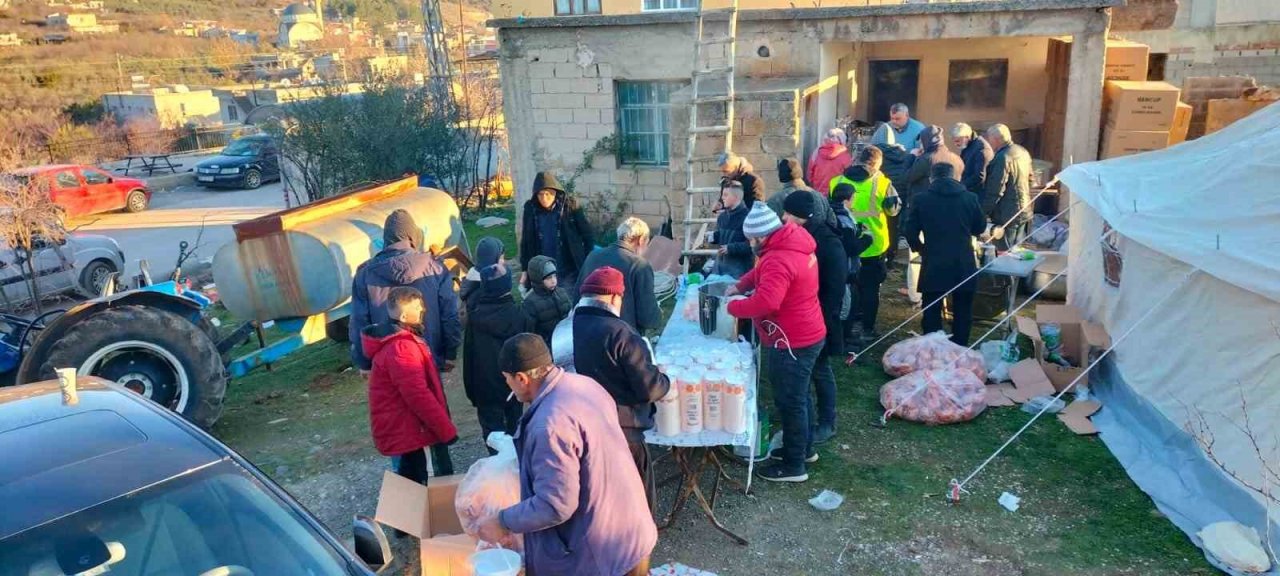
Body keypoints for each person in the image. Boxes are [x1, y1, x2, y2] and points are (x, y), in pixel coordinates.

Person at [478, 334, 656, 576]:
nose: (508, 385)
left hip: (601, 553)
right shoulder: (585, 385)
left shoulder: (549, 425)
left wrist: (502, 522)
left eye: (507, 379)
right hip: (630, 529)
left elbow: (555, 504)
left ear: (521, 378)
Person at [350, 209, 461, 475]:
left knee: (398, 415)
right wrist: (449, 353)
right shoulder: (434, 266)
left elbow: (359, 321)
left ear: (387, 239)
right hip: (427, 356)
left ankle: (407, 487)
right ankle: (442, 482)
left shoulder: (365, 274)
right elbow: (450, 313)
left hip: (386, 360)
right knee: (430, 408)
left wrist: (364, 362)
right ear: (412, 236)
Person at [725, 202, 826, 482]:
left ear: (761, 236)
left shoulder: (778, 258)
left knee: (790, 401)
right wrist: (740, 285)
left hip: (791, 339)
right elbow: (761, 273)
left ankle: (794, 467)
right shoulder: (789, 244)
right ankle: (803, 450)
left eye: (751, 240)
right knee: (800, 396)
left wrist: (732, 307)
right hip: (808, 330)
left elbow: (767, 301)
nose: (750, 244)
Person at [571, 266, 671, 507]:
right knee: (638, 501)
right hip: (626, 429)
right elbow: (650, 389)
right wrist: (663, 379)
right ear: (615, 297)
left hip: (595, 421)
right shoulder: (622, 334)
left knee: (609, 499)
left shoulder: (578, 322)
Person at [361, 287, 458, 489]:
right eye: (417, 306)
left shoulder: (401, 342)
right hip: (415, 433)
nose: (423, 309)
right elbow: (418, 396)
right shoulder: (402, 348)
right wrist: (445, 430)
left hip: (408, 430)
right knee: (433, 487)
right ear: (404, 316)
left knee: (412, 483)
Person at [781, 192, 847, 445]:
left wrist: (821, 316)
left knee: (820, 369)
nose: (784, 218)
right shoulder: (804, 235)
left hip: (821, 316)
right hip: (806, 315)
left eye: (788, 213)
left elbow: (835, 286)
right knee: (809, 371)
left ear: (802, 216)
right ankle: (803, 416)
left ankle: (827, 421)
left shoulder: (827, 243)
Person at [903, 163, 986, 346]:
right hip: (962, 259)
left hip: (934, 259)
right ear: (955, 177)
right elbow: (979, 227)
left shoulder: (921, 199)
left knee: (932, 308)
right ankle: (960, 346)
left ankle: (933, 347)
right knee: (963, 309)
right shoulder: (970, 198)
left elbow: (909, 230)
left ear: (931, 178)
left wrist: (920, 248)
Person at [831, 146, 901, 349]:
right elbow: (893, 210)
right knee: (871, 289)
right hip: (873, 245)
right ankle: (867, 328)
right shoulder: (883, 183)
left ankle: (846, 326)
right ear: (878, 163)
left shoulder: (837, 181)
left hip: (845, 245)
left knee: (847, 287)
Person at [463, 262, 530, 452]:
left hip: (485, 387)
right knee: (516, 426)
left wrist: (472, 392)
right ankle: (518, 462)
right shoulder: (519, 315)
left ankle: (497, 462)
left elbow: (469, 358)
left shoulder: (475, 319)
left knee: (492, 433)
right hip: (514, 384)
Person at [901, 125, 964, 306]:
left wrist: (911, 156)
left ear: (926, 141)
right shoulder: (956, 159)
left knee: (917, 258)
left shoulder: (926, 159)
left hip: (924, 212)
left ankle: (915, 294)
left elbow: (906, 177)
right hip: (950, 214)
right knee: (943, 255)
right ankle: (944, 294)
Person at [576, 217, 660, 334]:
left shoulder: (593, 256)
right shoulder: (639, 265)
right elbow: (648, 317)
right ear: (641, 240)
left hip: (588, 332)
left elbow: (576, 299)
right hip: (622, 337)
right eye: (647, 243)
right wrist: (658, 314)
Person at [519, 171, 596, 292]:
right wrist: (525, 269)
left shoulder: (570, 206)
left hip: (568, 269)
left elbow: (587, 235)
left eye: (548, 194)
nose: (544, 198)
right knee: (545, 301)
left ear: (555, 192)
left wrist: (587, 260)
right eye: (540, 194)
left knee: (567, 299)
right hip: (542, 269)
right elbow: (525, 241)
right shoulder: (531, 209)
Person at [870, 122, 915, 270]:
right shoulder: (904, 154)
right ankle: (891, 256)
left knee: (879, 225)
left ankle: (880, 255)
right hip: (898, 195)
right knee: (894, 227)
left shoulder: (874, 154)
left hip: (879, 194)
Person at [982, 124, 1033, 252]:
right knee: (1018, 251)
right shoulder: (1023, 152)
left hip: (1006, 213)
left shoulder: (1002, 158)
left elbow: (996, 189)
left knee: (1004, 252)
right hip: (1024, 209)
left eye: (989, 139)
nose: (988, 142)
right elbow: (1031, 180)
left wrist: (984, 211)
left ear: (996, 139)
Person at [767, 157, 836, 228]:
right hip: (819, 234)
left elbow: (769, 227)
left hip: (791, 234)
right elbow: (832, 222)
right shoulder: (820, 196)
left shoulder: (775, 200)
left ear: (780, 175)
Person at [521, 255, 572, 348]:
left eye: (554, 276)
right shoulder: (530, 303)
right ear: (538, 279)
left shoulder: (562, 293)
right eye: (548, 278)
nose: (553, 281)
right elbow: (530, 332)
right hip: (546, 346)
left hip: (567, 342)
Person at [712, 181, 752, 278]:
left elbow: (752, 245)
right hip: (720, 269)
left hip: (739, 272)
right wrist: (713, 237)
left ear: (736, 197)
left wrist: (731, 248)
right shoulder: (722, 217)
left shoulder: (748, 217)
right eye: (722, 194)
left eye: (726, 195)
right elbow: (722, 237)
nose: (722, 198)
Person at [460, 236, 506, 314]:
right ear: (493, 261)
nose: (503, 262)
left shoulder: (473, 281)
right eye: (501, 258)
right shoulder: (486, 293)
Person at [952, 122, 994, 201]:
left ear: (967, 137)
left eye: (958, 141)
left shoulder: (982, 149)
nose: (955, 144)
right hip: (969, 191)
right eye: (954, 141)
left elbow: (979, 177)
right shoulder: (968, 145)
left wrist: (960, 186)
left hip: (978, 195)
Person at [808, 127, 853, 196]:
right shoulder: (845, 156)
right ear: (842, 141)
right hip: (837, 195)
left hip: (818, 193)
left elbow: (809, 175)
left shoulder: (816, 153)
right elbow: (849, 177)